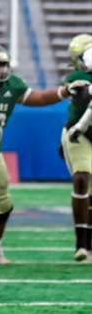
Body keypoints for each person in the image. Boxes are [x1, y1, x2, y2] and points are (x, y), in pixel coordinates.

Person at [0, 44, 71, 264]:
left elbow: (38, 98)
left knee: (2, 204)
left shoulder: (12, 85)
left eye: (2, 64)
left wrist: (63, 91)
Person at [61, 34, 92, 261]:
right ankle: (80, 245)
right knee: (82, 178)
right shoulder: (78, 76)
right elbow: (76, 92)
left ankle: (87, 245)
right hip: (76, 135)